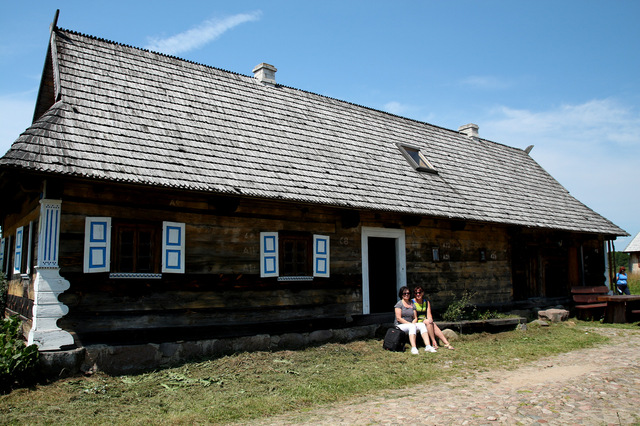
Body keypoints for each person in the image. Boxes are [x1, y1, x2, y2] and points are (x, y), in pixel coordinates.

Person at [412, 285, 455, 350]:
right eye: (416, 293)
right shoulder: (412, 302)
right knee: (429, 323)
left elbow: (429, 314)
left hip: (425, 321)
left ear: (423, 293)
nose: (418, 294)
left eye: (419, 292)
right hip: (417, 321)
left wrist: (430, 318)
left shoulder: (426, 302)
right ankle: (434, 341)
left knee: (431, 323)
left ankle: (446, 343)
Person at [394, 286, 421, 355]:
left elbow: (415, 317)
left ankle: (428, 346)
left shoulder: (412, 304)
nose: (406, 295)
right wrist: (410, 324)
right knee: (412, 327)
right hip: (400, 325)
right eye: (404, 293)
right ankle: (414, 347)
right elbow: (398, 318)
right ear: (401, 294)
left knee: (422, 325)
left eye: (408, 293)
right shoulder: (399, 304)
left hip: (410, 324)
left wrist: (413, 323)